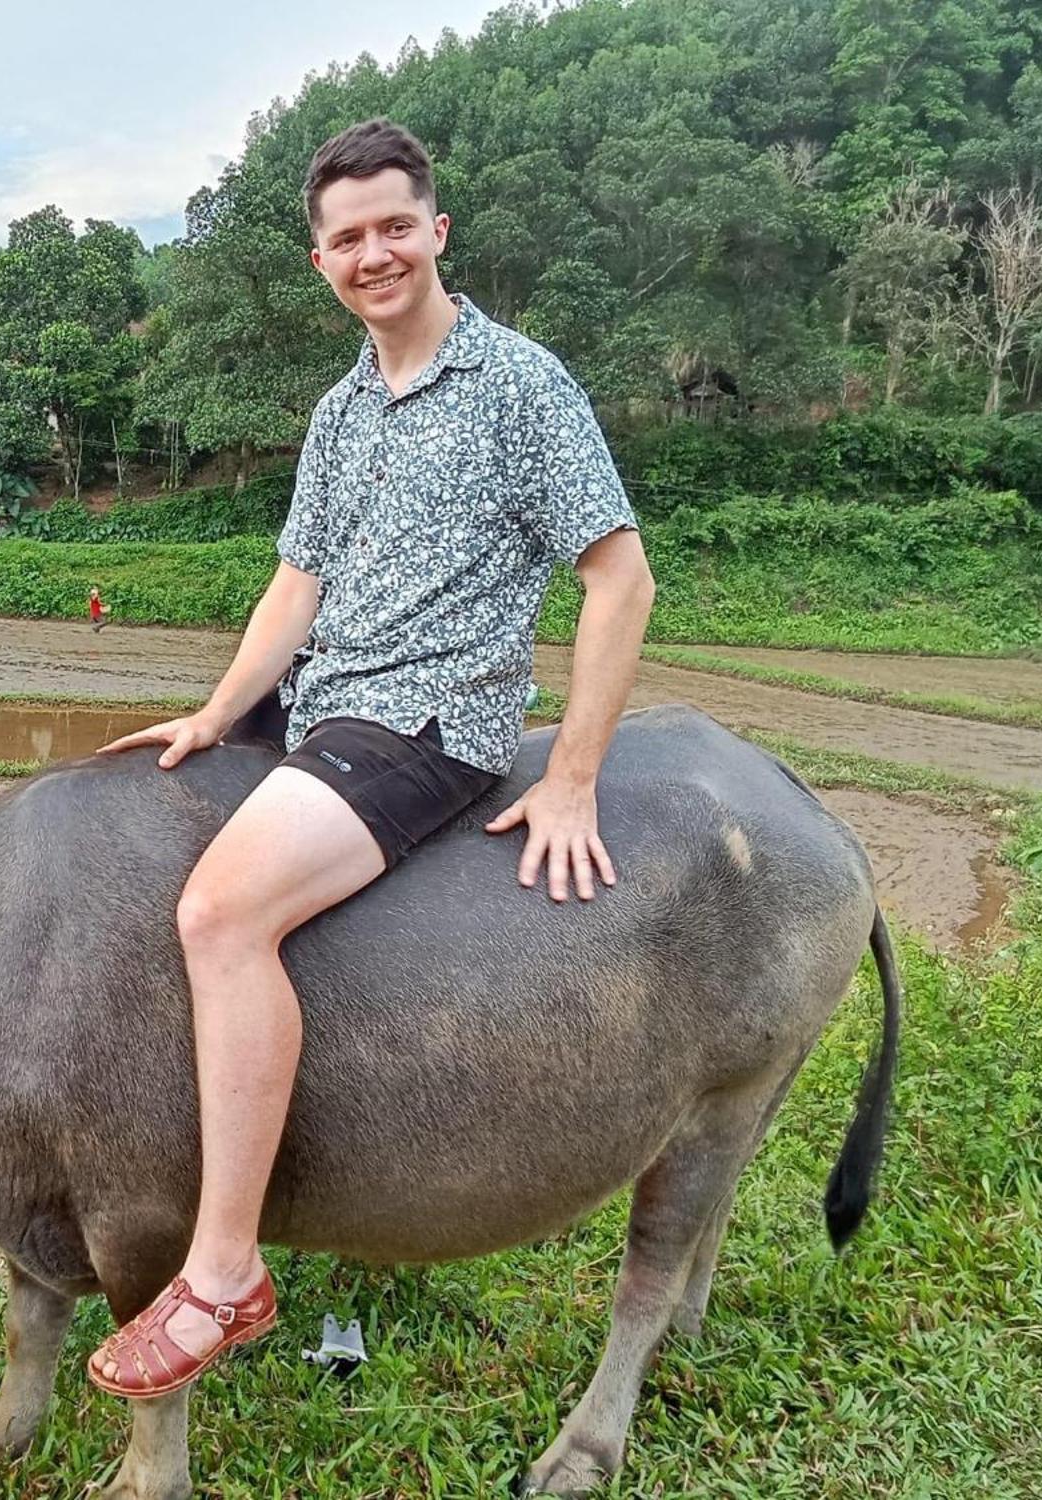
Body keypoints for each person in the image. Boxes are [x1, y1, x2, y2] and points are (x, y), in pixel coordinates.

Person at [86, 118, 655, 1400]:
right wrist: (215, 711)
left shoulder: (518, 382)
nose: (373, 252)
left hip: (425, 724)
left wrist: (566, 774)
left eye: (394, 225)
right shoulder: (341, 410)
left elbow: (618, 584)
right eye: (347, 237)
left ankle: (225, 1275)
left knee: (219, 915)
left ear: (435, 230)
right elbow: (299, 583)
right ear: (319, 261)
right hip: (319, 703)